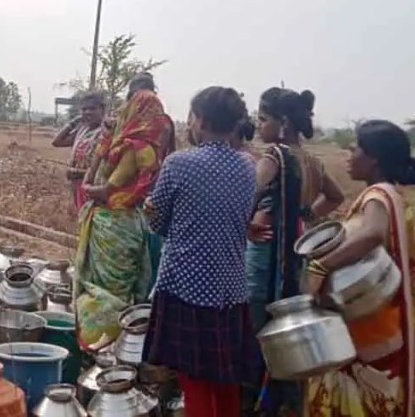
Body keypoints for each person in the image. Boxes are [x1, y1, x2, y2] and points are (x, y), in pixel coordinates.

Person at [142, 86, 259, 417]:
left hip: (187, 286)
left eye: (191, 116)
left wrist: (152, 210)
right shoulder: (249, 166)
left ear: (202, 120)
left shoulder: (179, 164)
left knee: (194, 381)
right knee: (225, 380)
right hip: (231, 288)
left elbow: (159, 221)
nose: (189, 123)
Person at [245, 88, 344, 416]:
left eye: (262, 119)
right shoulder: (312, 160)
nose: (259, 126)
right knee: (288, 324)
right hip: (298, 254)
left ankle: (256, 400)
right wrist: (305, 215)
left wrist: (248, 223)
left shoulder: (275, 156)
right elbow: (335, 196)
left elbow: (249, 194)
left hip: (266, 255)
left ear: (282, 122)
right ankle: (285, 398)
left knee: (258, 326)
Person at [304, 119, 414, 417]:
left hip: (369, 324)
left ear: (374, 157)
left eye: (355, 148)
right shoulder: (395, 194)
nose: (348, 154)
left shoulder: (377, 195)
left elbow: (374, 233)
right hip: (383, 321)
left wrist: (319, 267)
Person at [74, 88, 170, 349]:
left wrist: (87, 187)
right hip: (131, 222)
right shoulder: (150, 150)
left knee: (104, 289)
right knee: (123, 288)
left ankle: (97, 342)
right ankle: (125, 345)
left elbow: (104, 189)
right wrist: (107, 138)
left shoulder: (131, 147)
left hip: (112, 225)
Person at [52, 91, 106, 214]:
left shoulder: (106, 132)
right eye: (84, 109)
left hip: (94, 187)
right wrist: (74, 122)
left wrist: (77, 172)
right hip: (78, 185)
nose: (87, 112)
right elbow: (57, 142)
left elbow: (104, 167)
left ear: (102, 110)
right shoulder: (82, 131)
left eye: (92, 109)